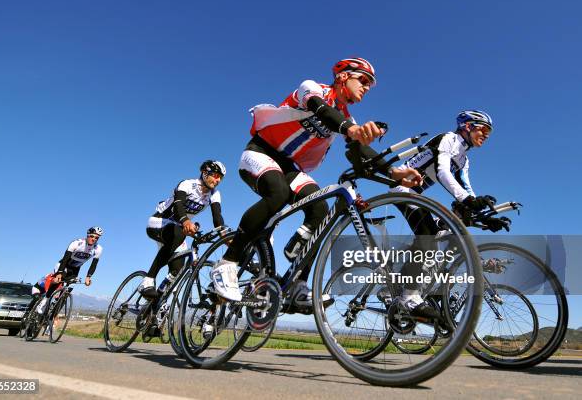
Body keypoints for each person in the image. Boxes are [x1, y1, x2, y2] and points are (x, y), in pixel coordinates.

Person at [210, 57, 422, 310]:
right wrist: (350, 130)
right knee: (277, 194)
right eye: (363, 80)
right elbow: (321, 109)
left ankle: (298, 284)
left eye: (370, 85)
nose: (366, 87)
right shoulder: (313, 88)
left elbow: (359, 152)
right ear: (343, 77)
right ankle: (226, 264)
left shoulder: (347, 118)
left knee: (321, 210)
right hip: (260, 152)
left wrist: (393, 172)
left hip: (290, 167)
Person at [391, 109, 504, 316]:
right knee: (427, 234)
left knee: (443, 232)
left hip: (415, 195)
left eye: (489, 132)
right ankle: (408, 296)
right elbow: (443, 172)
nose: (486, 135)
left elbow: (468, 190)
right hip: (401, 189)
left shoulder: (464, 160)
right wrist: (468, 200)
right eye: (484, 129)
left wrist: (487, 217)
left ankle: (402, 280)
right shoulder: (448, 139)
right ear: (468, 126)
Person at [138, 160, 227, 299]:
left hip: (177, 229)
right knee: (179, 234)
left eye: (221, 178)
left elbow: (217, 218)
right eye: (215, 175)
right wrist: (186, 221)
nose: (218, 180)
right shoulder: (187, 184)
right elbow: (178, 205)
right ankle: (147, 281)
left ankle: (156, 304)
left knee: (177, 269)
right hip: (158, 222)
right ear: (205, 173)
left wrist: (225, 236)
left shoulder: (215, 194)